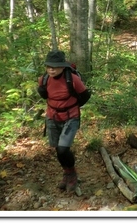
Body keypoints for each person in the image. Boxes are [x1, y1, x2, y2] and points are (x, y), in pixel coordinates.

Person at [37, 50, 91, 193]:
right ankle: (67, 173)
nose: (51, 69)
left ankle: (72, 173)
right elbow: (43, 94)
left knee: (63, 148)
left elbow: (85, 95)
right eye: (49, 66)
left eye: (54, 66)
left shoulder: (72, 79)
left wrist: (71, 107)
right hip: (52, 117)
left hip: (70, 117)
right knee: (58, 149)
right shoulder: (44, 79)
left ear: (63, 66)